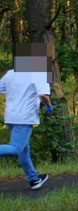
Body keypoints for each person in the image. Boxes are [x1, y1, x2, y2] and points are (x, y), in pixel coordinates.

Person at [0, 43, 52, 190]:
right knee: (16, 148)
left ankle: (34, 179)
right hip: (24, 117)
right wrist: (49, 106)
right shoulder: (38, 74)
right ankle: (33, 179)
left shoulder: (10, 73)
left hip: (10, 117)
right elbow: (43, 95)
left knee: (24, 150)